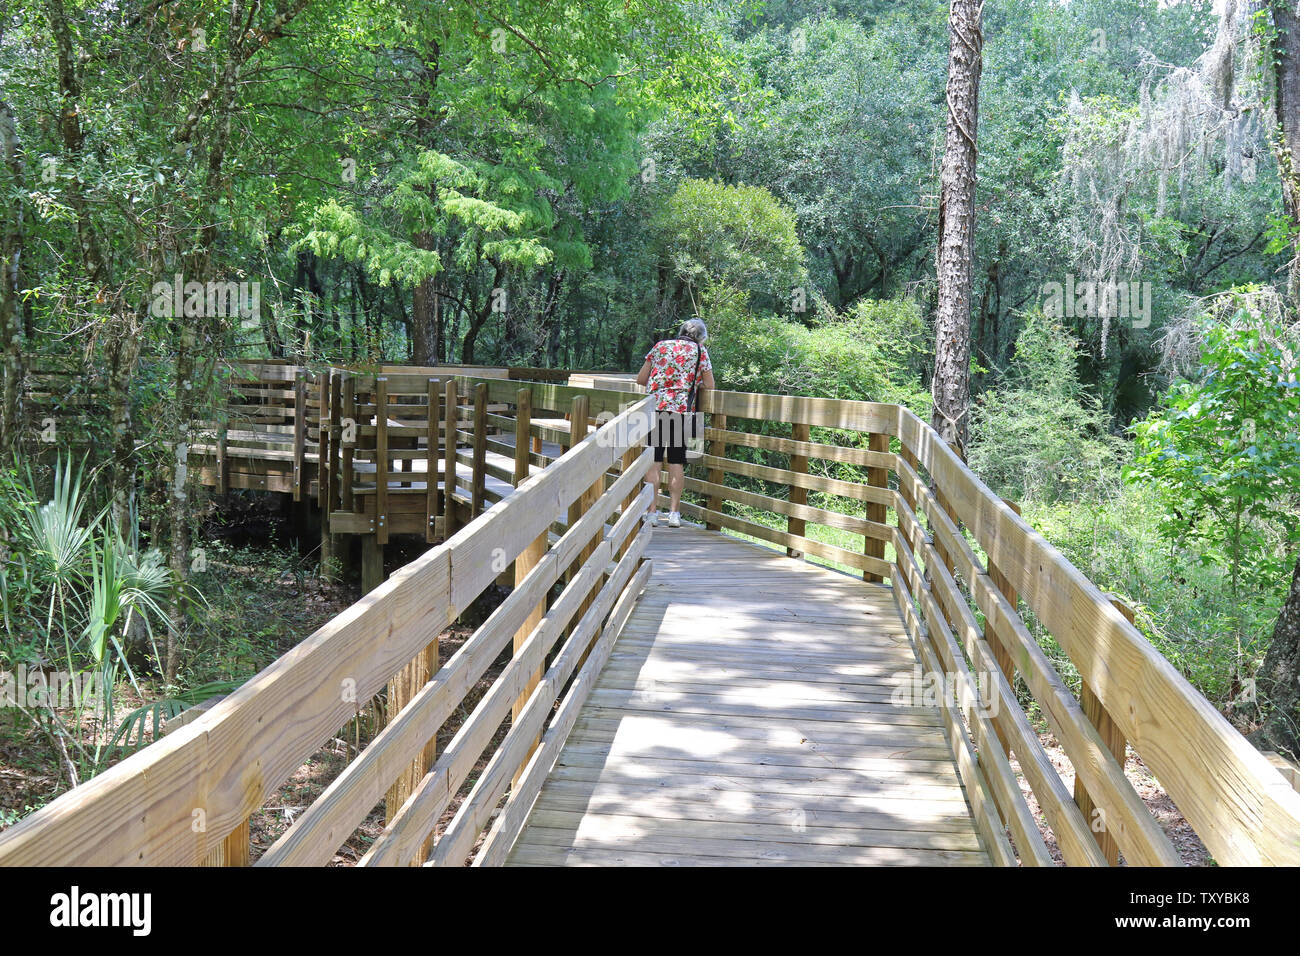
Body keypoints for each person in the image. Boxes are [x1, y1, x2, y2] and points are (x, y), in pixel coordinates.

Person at [635, 317, 715, 528]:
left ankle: (651, 513)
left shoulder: (660, 346)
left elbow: (641, 379)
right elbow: (710, 385)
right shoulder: (699, 352)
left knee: (654, 460)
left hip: (656, 408)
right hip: (680, 411)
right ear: (700, 337)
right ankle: (674, 514)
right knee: (676, 461)